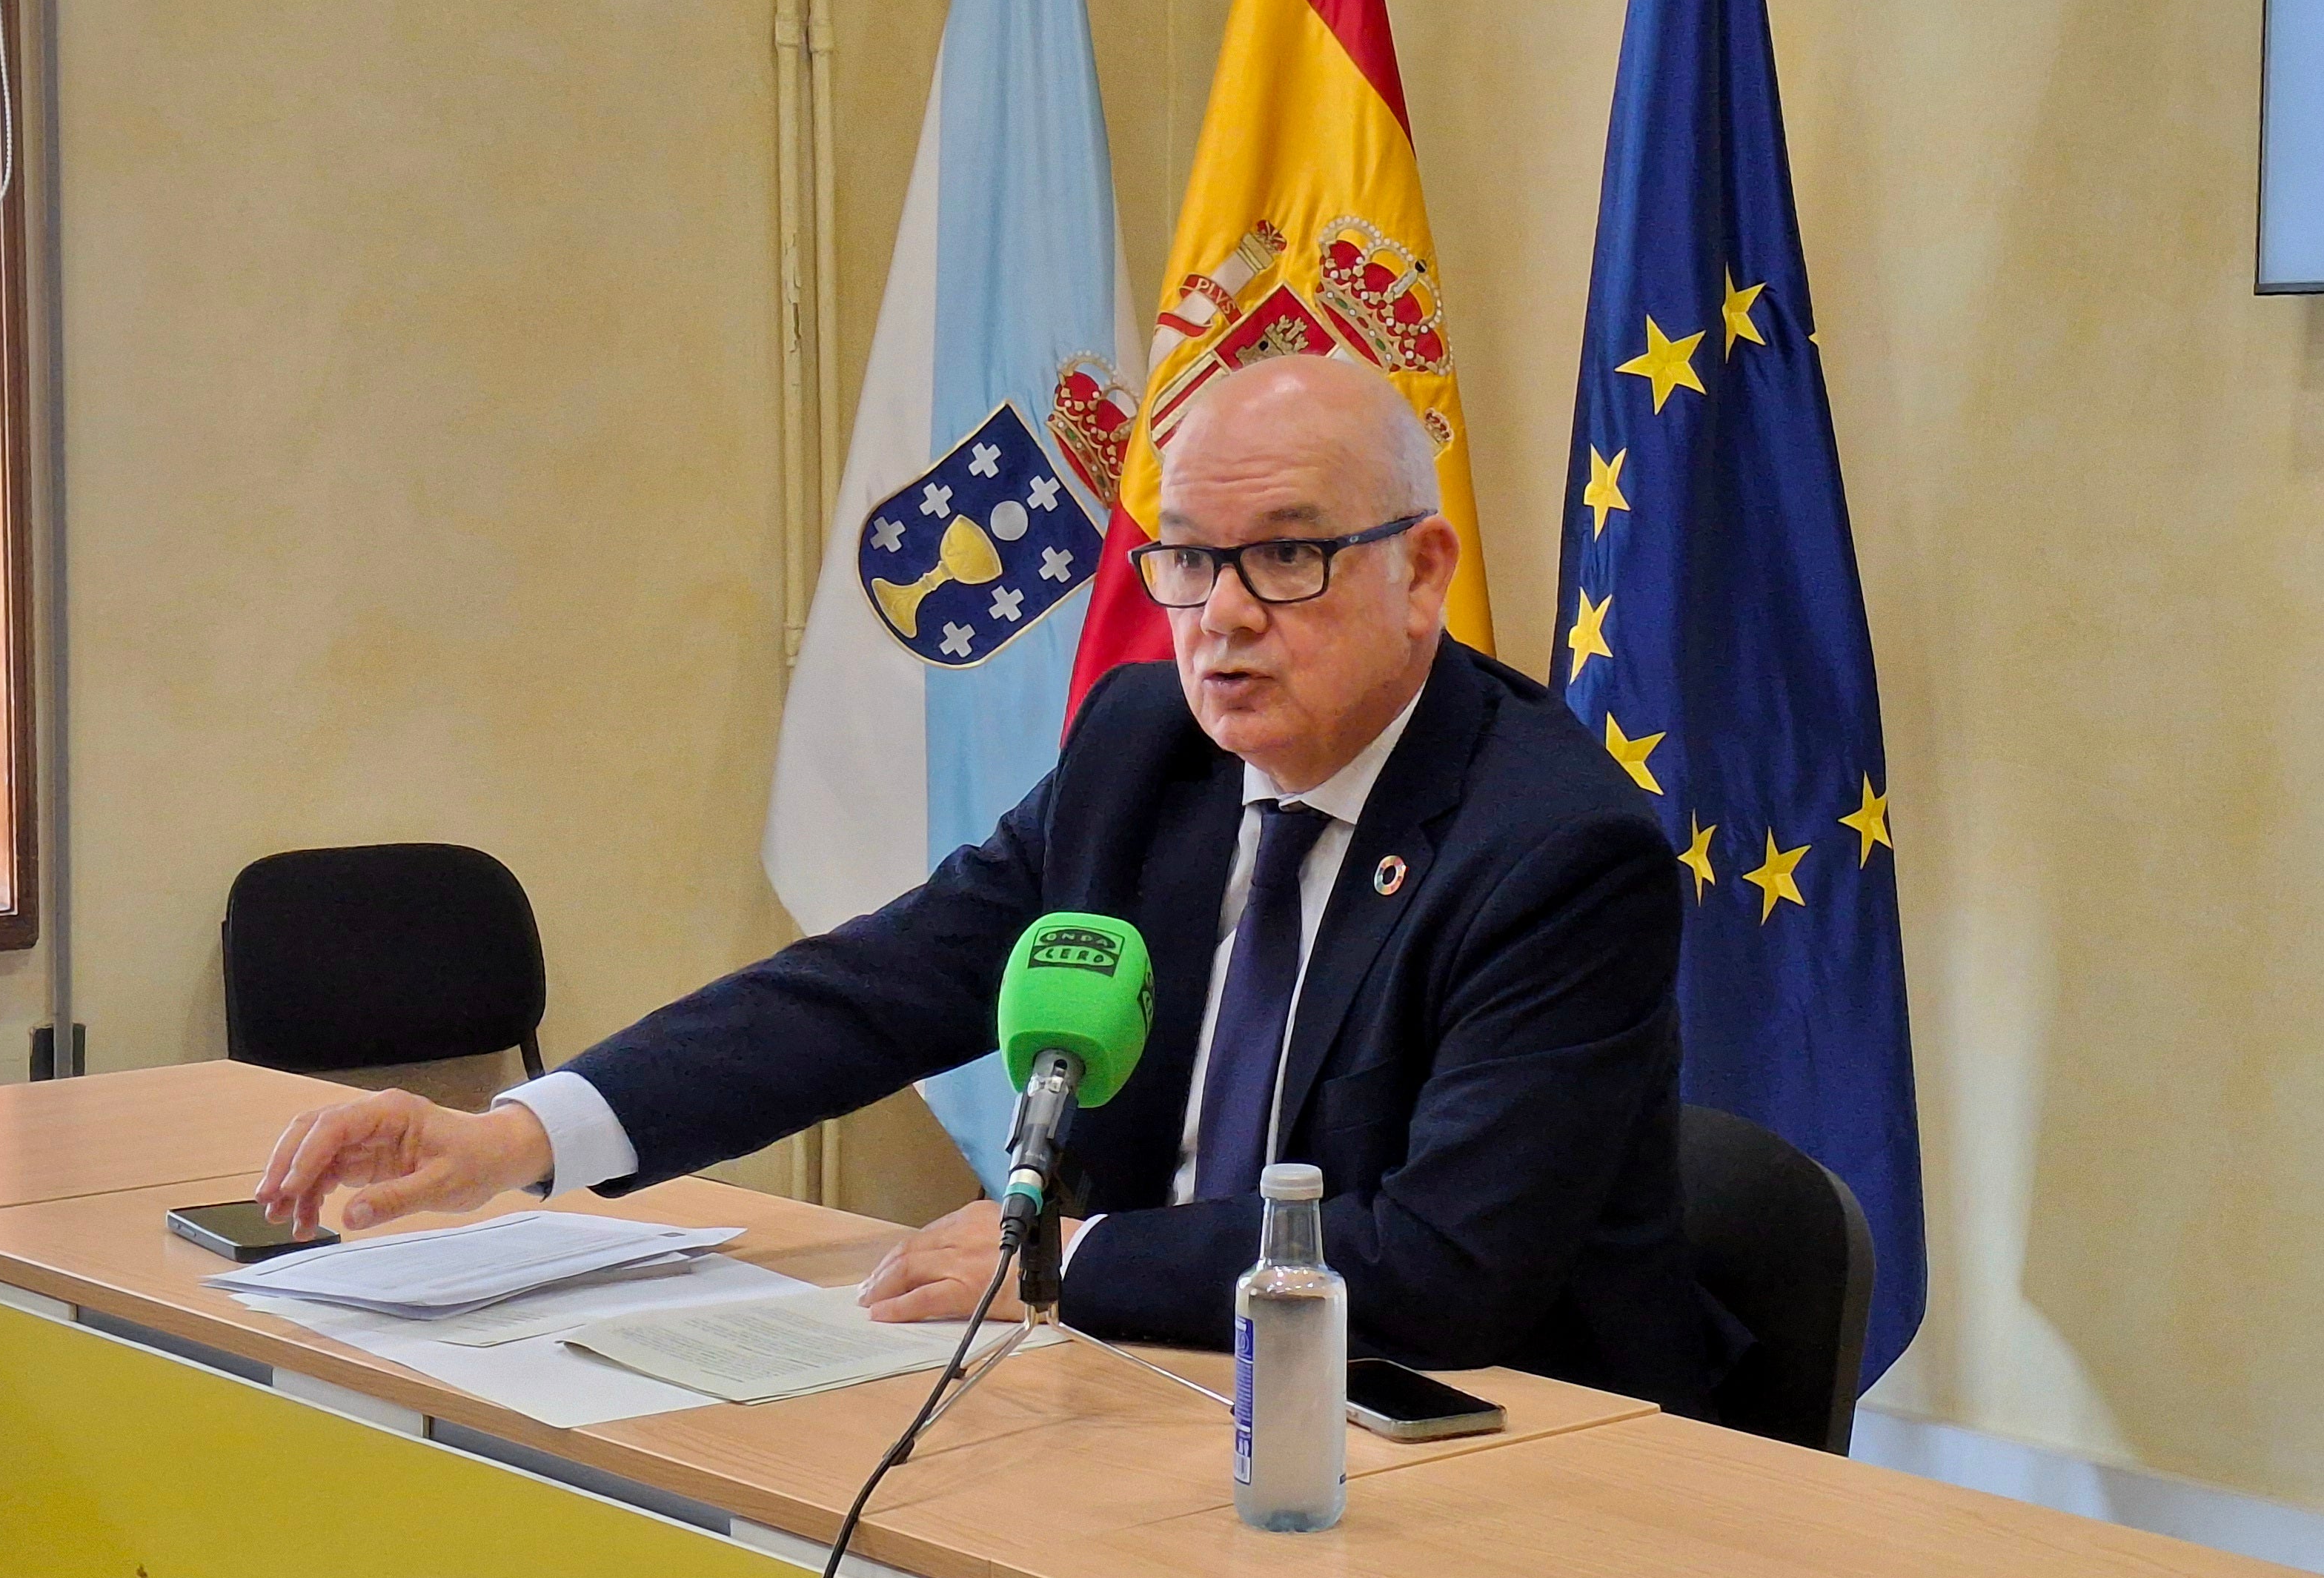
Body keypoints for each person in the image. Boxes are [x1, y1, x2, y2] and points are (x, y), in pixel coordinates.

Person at [260, 355, 1733, 1411]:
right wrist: (514, 1138)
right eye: (1187, 561)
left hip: (1504, 1459)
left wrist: (1068, 1264)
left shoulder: (1550, 851)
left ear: (1421, 571)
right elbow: (873, 991)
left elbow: (1446, 1264)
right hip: (1156, 1403)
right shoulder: (1143, 749)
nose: (1219, 622)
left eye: (1283, 558)